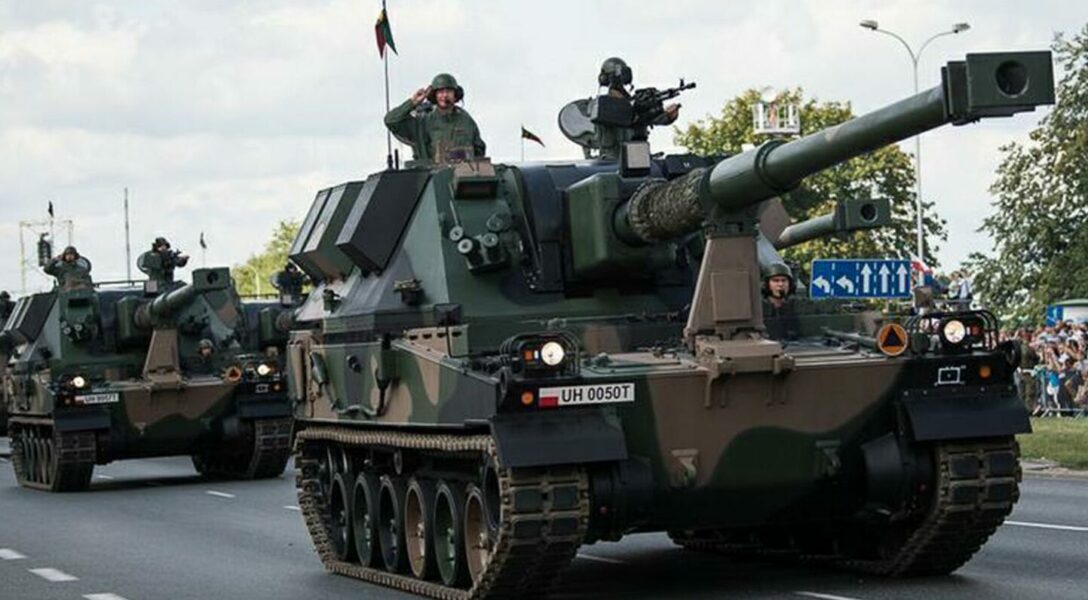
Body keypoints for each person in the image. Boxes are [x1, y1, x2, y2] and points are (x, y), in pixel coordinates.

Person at [384, 73, 486, 164]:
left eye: (448, 91)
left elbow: (479, 149)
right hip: (431, 176)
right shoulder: (423, 122)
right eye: (440, 92)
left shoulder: (466, 121)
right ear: (435, 95)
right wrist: (413, 102)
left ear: (455, 95)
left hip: (462, 175)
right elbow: (390, 120)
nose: (445, 95)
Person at [592, 57, 681, 158]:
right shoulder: (604, 106)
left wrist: (668, 116)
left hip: (637, 158)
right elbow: (629, 118)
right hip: (613, 158)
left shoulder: (631, 103)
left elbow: (645, 119)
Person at [761, 262, 800, 341]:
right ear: (767, 284)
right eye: (775, 281)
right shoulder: (760, 308)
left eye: (784, 280)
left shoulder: (795, 307)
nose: (780, 284)